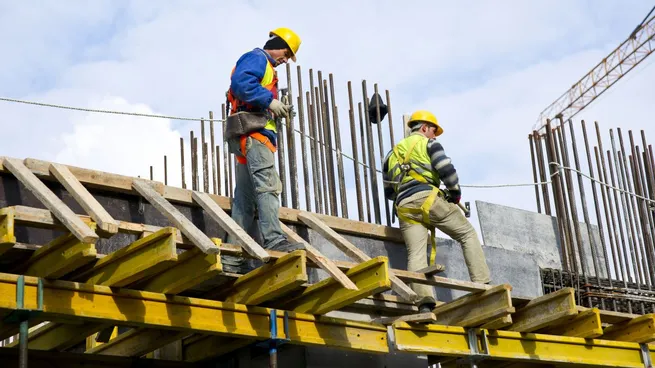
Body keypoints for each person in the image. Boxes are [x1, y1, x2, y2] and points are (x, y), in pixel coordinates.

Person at [382, 110, 491, 312]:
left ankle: (424, 303)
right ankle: (483, 285)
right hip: (429, 199)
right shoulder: (429, 144)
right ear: (424, 128)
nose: (434, 135)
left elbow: (389, 191)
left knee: (415, 254)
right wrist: (454, 193)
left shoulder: (391, 154)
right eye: (433, 131)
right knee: (467, 234)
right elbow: (446, 170)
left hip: (404, 207)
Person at [222, 27, 304, 273]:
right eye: (287, 54)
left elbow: (251, 93)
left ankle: (232, 258)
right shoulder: (258, 58)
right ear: (278, 44)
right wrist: (270, 102)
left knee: (244, 201)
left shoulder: (266, 69)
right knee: (268, 187)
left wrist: (277, 108)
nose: (286, 60)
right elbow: (241, 83)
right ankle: (274, 240)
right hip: (255, 137)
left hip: (248, 136)